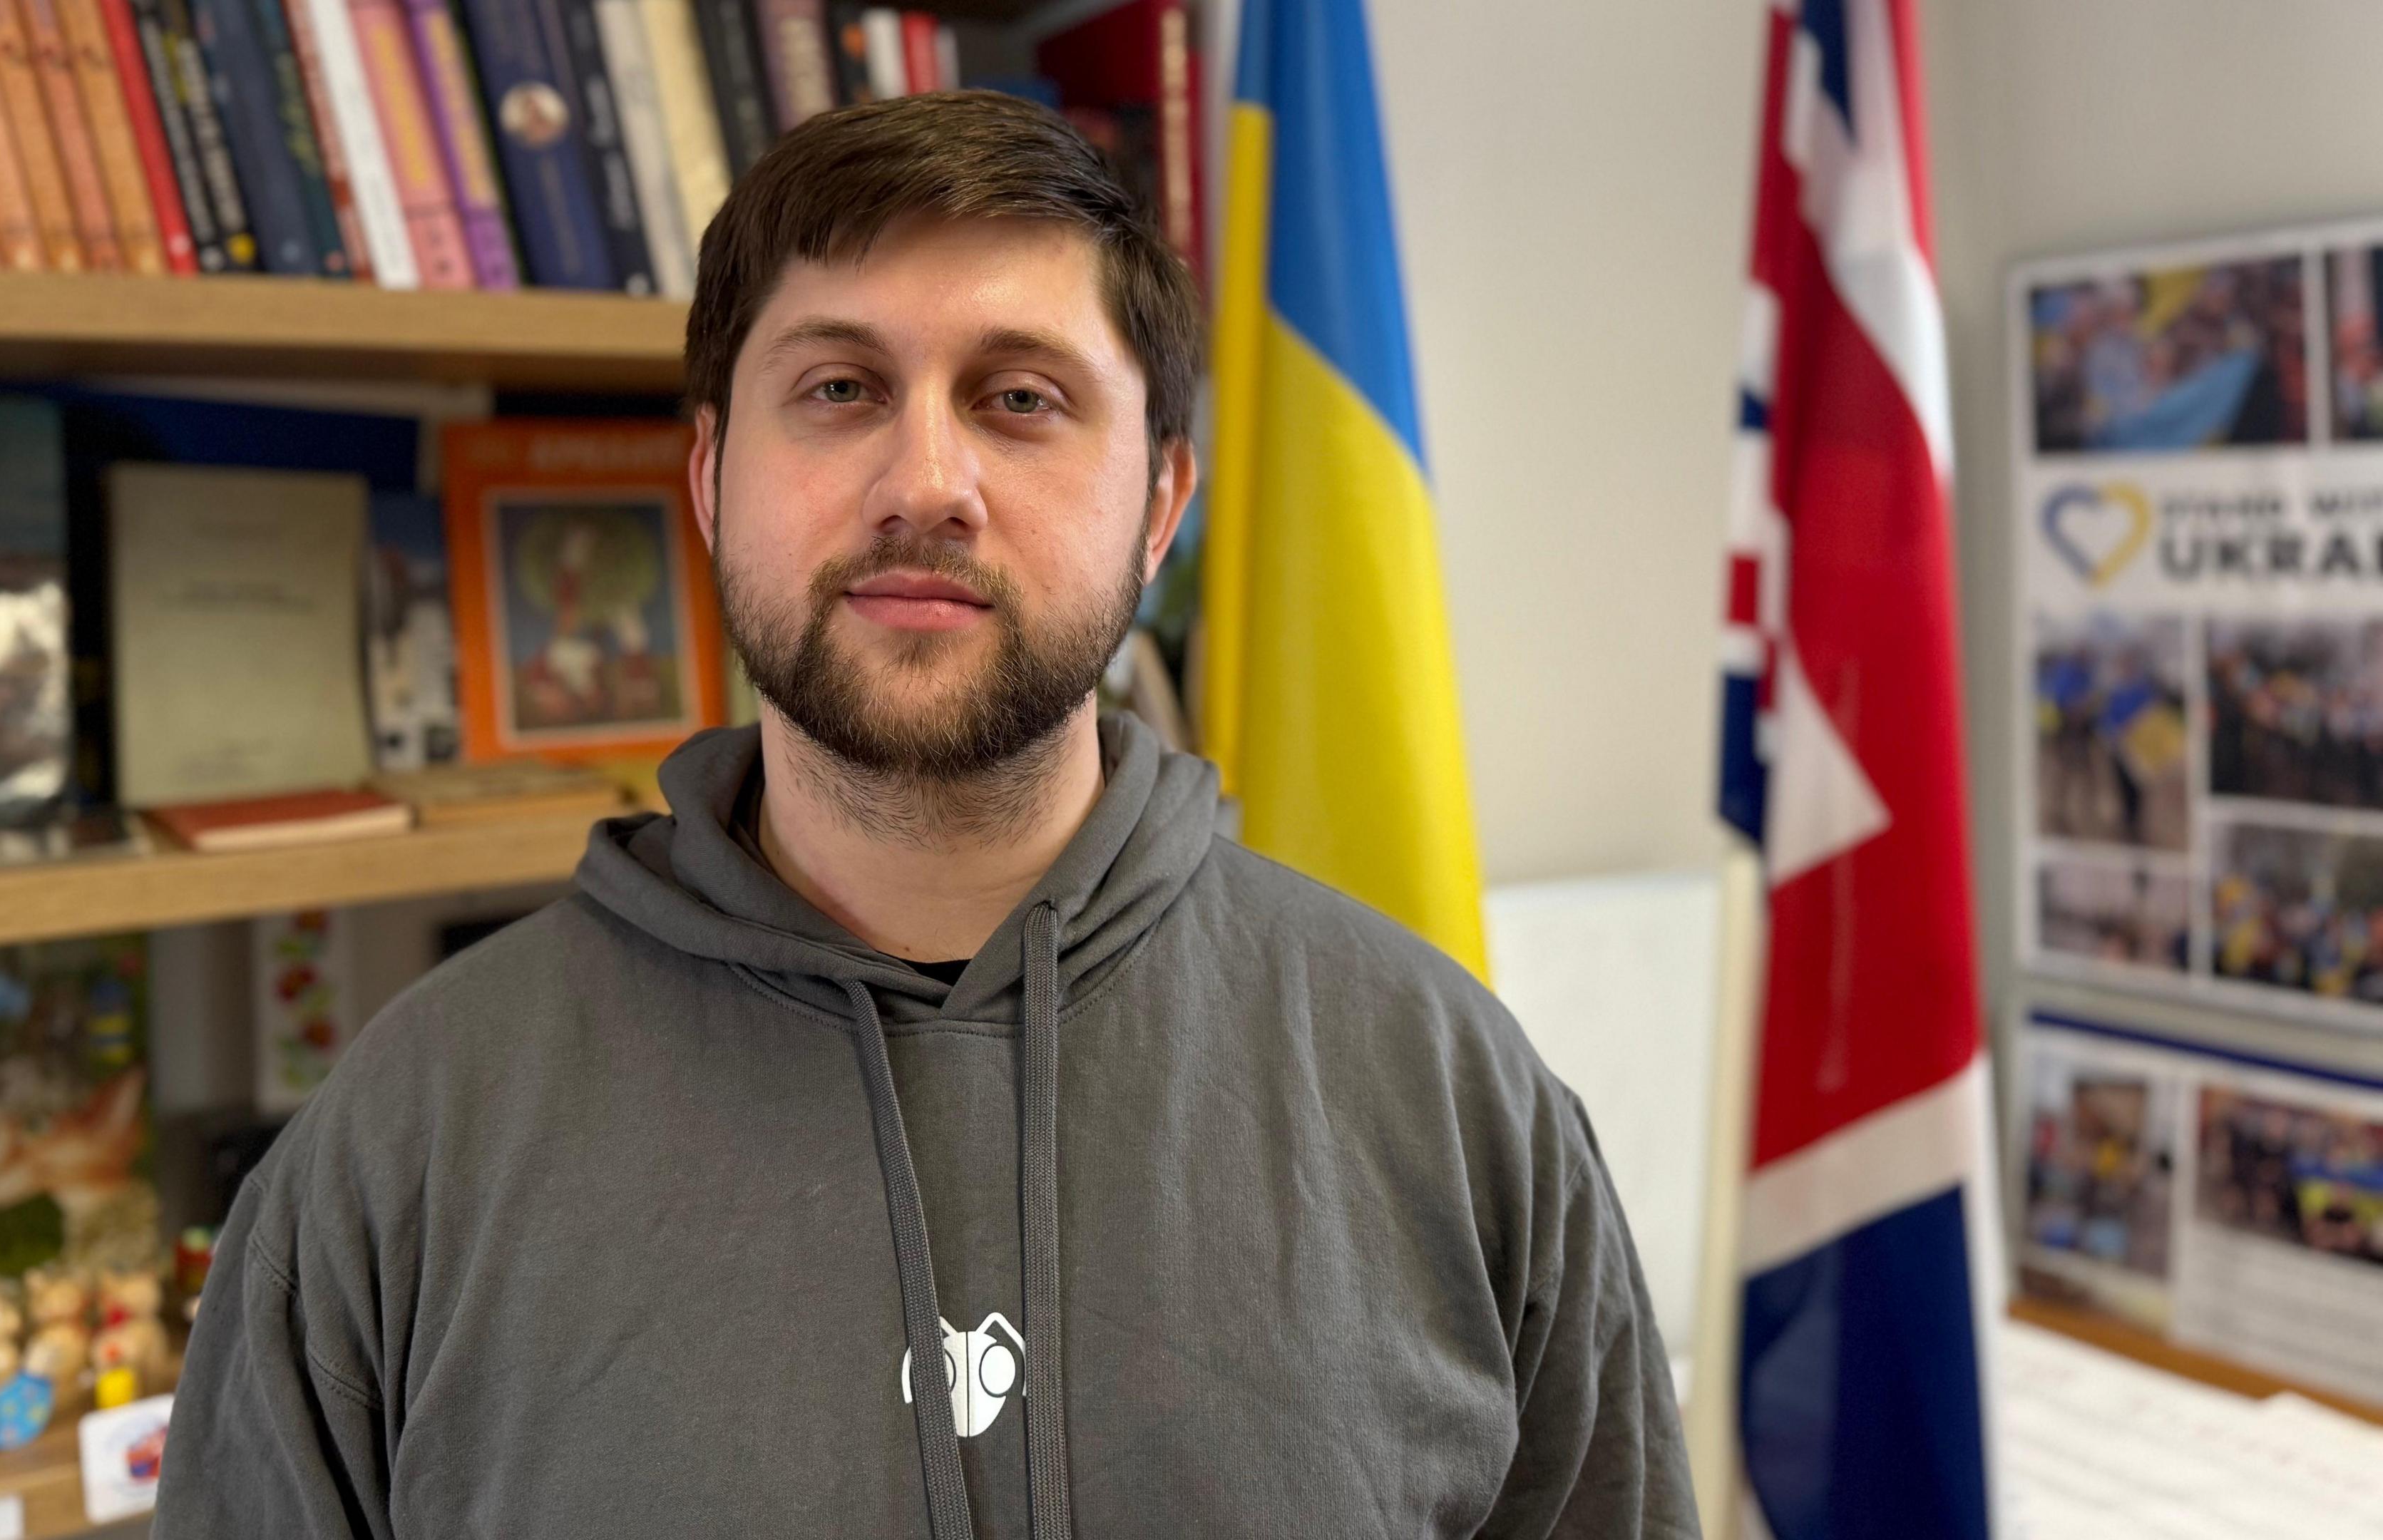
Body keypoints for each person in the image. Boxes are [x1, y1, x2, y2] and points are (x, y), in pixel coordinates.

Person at [155, 91, 1695, 1539]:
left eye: (1021, 399)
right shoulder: (398, 1150)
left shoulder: (1453, 1096)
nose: (929, 481)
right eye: (839, 390)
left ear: (1161, 502)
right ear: (707, 479)